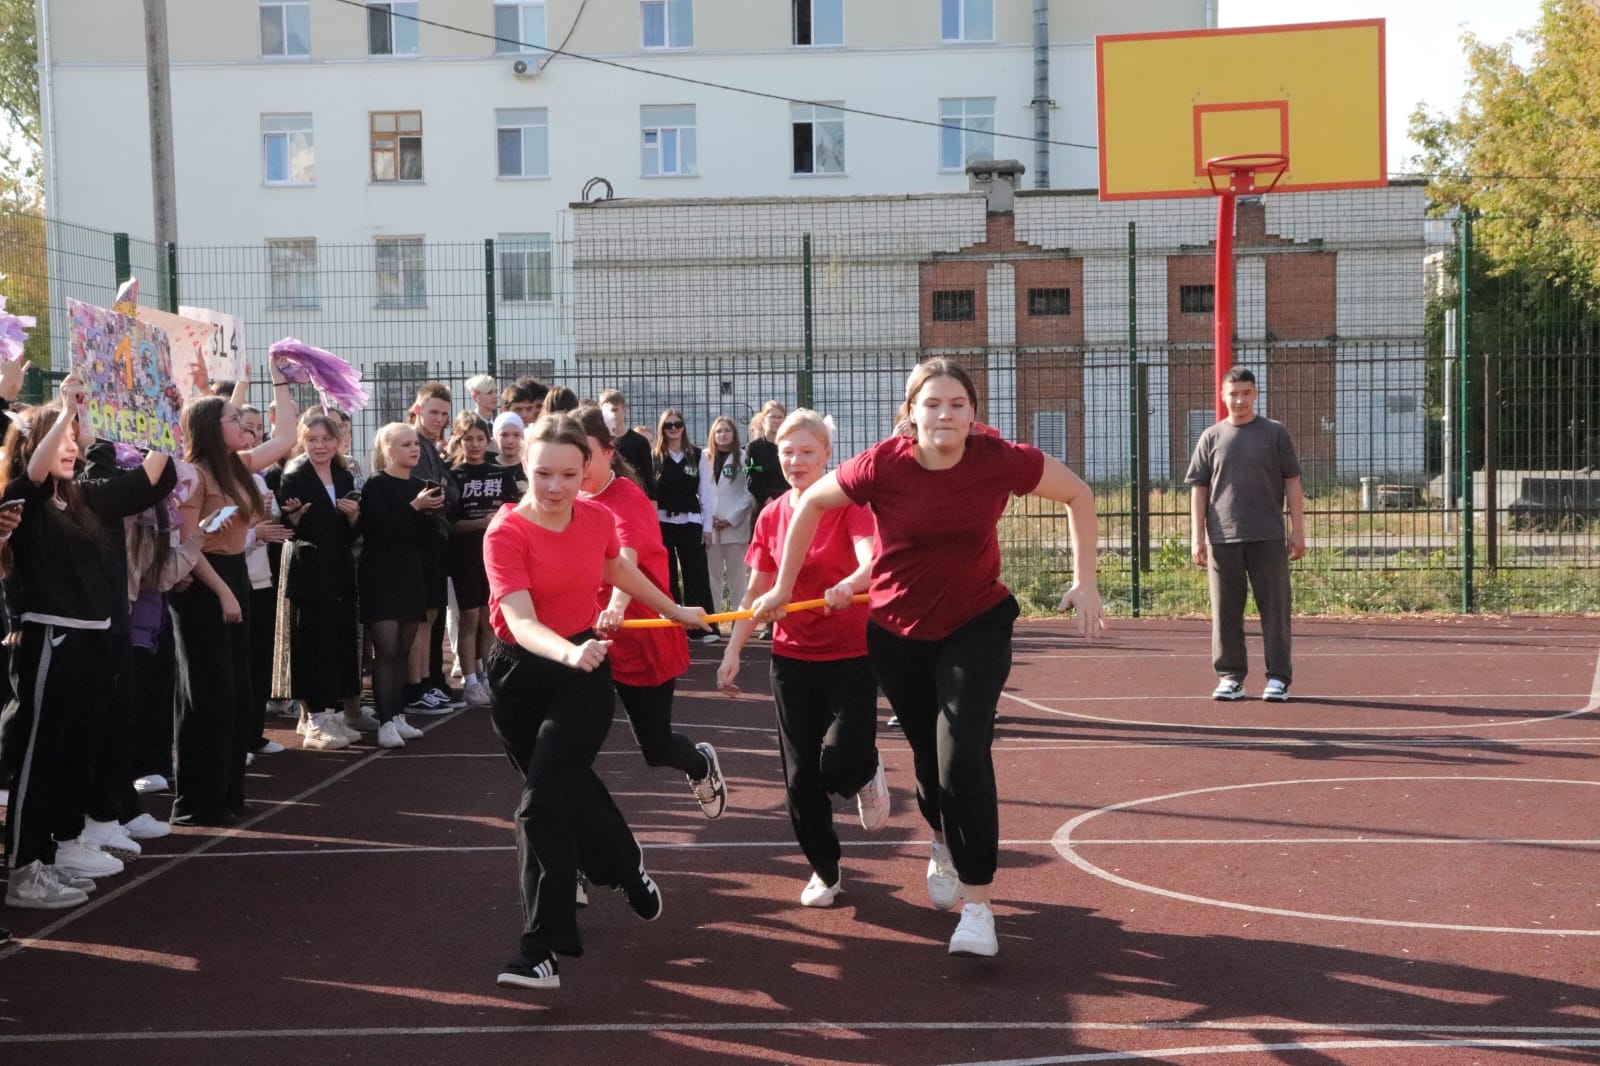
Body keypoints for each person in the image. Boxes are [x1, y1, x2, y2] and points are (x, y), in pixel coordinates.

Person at [751, 357, 1104, 958]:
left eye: (957, 405)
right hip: (897, 633)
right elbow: (810, 506)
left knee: (962, 753)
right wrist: (782, 588)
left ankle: (979, 907)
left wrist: (1086, 579)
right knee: (929, 759)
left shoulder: (999, 458)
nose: (945, 415)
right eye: (932, 404)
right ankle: (941, 837)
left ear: (973, 414)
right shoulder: (883, 463)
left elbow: (1078, 493)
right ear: (911, 414)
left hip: (976, 623)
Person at [483, 413, 707, 991]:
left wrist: (675, 610)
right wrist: (566, 651)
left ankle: (540, 951)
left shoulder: (598, 517)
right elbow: (519, 621)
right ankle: (626, 867)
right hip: (521, 673)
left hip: (582, 674)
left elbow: (616, 568)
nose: (555, 487)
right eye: (542, 474)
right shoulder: (505, 532)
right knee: (566, 790)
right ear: (524, 467)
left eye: (568, 474)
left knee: (539, 806)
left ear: (587, 469)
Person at [0, 375, 178, 908]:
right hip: (51, 640)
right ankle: (24, 869)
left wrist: (164, 416)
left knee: (73, 756)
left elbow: (147, 480)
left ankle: (51, 856)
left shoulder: (82, 498)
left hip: (93, 643)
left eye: (75, 437)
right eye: (61, 437)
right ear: (34, 446)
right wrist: (66, 409)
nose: (72, 444)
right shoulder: (24, 497)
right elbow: (33, 474)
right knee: (40, 758)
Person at [717, 409, 887, 908]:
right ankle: (825, 870)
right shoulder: (772, 515)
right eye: (787, 452)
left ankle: (864, 770)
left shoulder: (849, 504)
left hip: (852, 653)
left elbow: (871, 561)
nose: (796, 461)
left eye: (807, 452)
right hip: (792, 658)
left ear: (827, 455)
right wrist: (733, 649)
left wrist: (849, 585)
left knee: (840, 761)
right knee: (800, 778)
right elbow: (756, 591)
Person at [575, 405, 726, 819]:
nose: (577, 468)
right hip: (587, 638)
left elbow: (627, 558)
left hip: (641, 633)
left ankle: (699, 763)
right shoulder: (566, 496)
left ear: (609, 451)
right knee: (572, 739)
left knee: (656, 748)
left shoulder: (626, 497)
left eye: (586, 455)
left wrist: (615, 606)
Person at [170, 366, 299, 826]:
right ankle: (195, 803)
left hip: (233, 577)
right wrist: (225, 592)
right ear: (210, 428)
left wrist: (279, 378)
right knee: (207, 694)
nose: (242, 424)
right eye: (232, 419)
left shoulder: (238, 466)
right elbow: (190, 548)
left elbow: (287, 437)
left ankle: (227, 793)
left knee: (237, 692)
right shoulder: (193, 475)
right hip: (203, 585)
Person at [1186, 365, 1305, 702]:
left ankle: (1278, 678)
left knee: (1275, 610)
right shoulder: (1211, 437)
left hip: (1268, 535)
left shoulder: (1275, 433)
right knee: (1225, 612)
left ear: (1256, 394)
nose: (1240, 400)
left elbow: (1293, 482)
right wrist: (1197, 537)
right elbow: (1199, 489)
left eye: (1246, 393)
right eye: (1234, 394)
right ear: (1223, 396)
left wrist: (1298, 531)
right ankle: (1231, 677)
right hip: (1223, 537)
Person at [276, 414, 363, 747]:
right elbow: (288, 528)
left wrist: (353, 517)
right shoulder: (294, 477)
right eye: (312, 439)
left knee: (338, 643)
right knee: (313, 645)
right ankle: (314, 721)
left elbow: (351, 532)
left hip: (339, 570)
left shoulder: (344, 476)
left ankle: (334, 714)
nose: (319, 446)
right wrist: (295, 517)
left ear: (337, 442)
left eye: (326, 439)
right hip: (310, 571)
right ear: (303, 441)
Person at [357, 423, 439, 749]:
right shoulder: (376, 484)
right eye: (406, 444)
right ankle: (385, 722)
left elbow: (425, 539)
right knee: (387, 652)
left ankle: (398, 714)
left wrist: (431, 514)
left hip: (410, 575)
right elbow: (377, 532)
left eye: (415, 443)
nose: (414, 449)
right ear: (389, 450)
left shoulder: (420, 486)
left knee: (403, 653)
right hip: (380, 576)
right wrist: (414, 508)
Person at [446, 411, 519, 707]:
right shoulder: (453, 475)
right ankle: (470, 680)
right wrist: (482, 523)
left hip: (494, 556)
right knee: (469, 617)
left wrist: (499, 523)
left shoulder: (500, 474)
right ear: (459, 440)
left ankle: (488, 677)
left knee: (489, 618)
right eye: (469, 439)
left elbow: (514, 511)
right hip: (464, 555)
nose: (475, 445)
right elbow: (450, 523)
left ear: (488, 441)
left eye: (480, 439)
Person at [407, 382, 461, 713]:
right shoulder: (415, 444)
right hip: (421, 539)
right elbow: (432, 492)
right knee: (424, 616)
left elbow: (450, 491)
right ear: (418, 410)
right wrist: (441, 492)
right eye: (433, 412)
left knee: (434, 614)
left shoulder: (432, 447)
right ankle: (419, 685)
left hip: (436, 537)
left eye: (444, 413)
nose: (439, 419)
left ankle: (431, 681)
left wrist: (443, 491)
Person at [651, 408, 716, 638]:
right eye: (668, 425)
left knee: (696, 572)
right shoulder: (655, 457)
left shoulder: (697, 456)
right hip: (663, 523)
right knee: (667, 573)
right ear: (662, 429)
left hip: (691, 521)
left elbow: (706, 493)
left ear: (683, 427)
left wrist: (707, 526)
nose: (673, 429)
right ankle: (673, 628)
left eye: (677, 424)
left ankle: (704, 627)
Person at [700, 415, 754, 630]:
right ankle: (713, 622)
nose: (722, 434)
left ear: (734, 434)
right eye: (718, 431)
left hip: (736, 527)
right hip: (710, 528)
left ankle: (739, 622)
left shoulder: (743, 457)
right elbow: (697, 490)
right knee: (711, 578)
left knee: (738, 578)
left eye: (727, 431)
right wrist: (708, 517)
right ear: (713, 435)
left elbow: (750, 491)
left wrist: (732, 519)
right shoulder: (703, 457)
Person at [599, 389, 655, 499]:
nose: (610, 415)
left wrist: (652, 504)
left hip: (633, 499)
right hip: (604, 500)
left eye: (615, 410)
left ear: (625, 410)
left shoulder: (640, 442)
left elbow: (648, 480)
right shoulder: (598, 442)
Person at [744, 400, 790, 518]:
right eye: (773, 417)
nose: (777, 421)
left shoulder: (790, 445)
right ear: (764, 419)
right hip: (765, 505)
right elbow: (752, 481)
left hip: (789, 501)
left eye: (780, 417)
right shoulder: (754, 448)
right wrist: (771, 503)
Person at [494, 412, 529, 496]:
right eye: (504, 435)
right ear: (495, 437)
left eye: (516, 435)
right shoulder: (487, 464)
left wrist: (529, 490)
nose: (510, 441)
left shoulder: (530, 465)